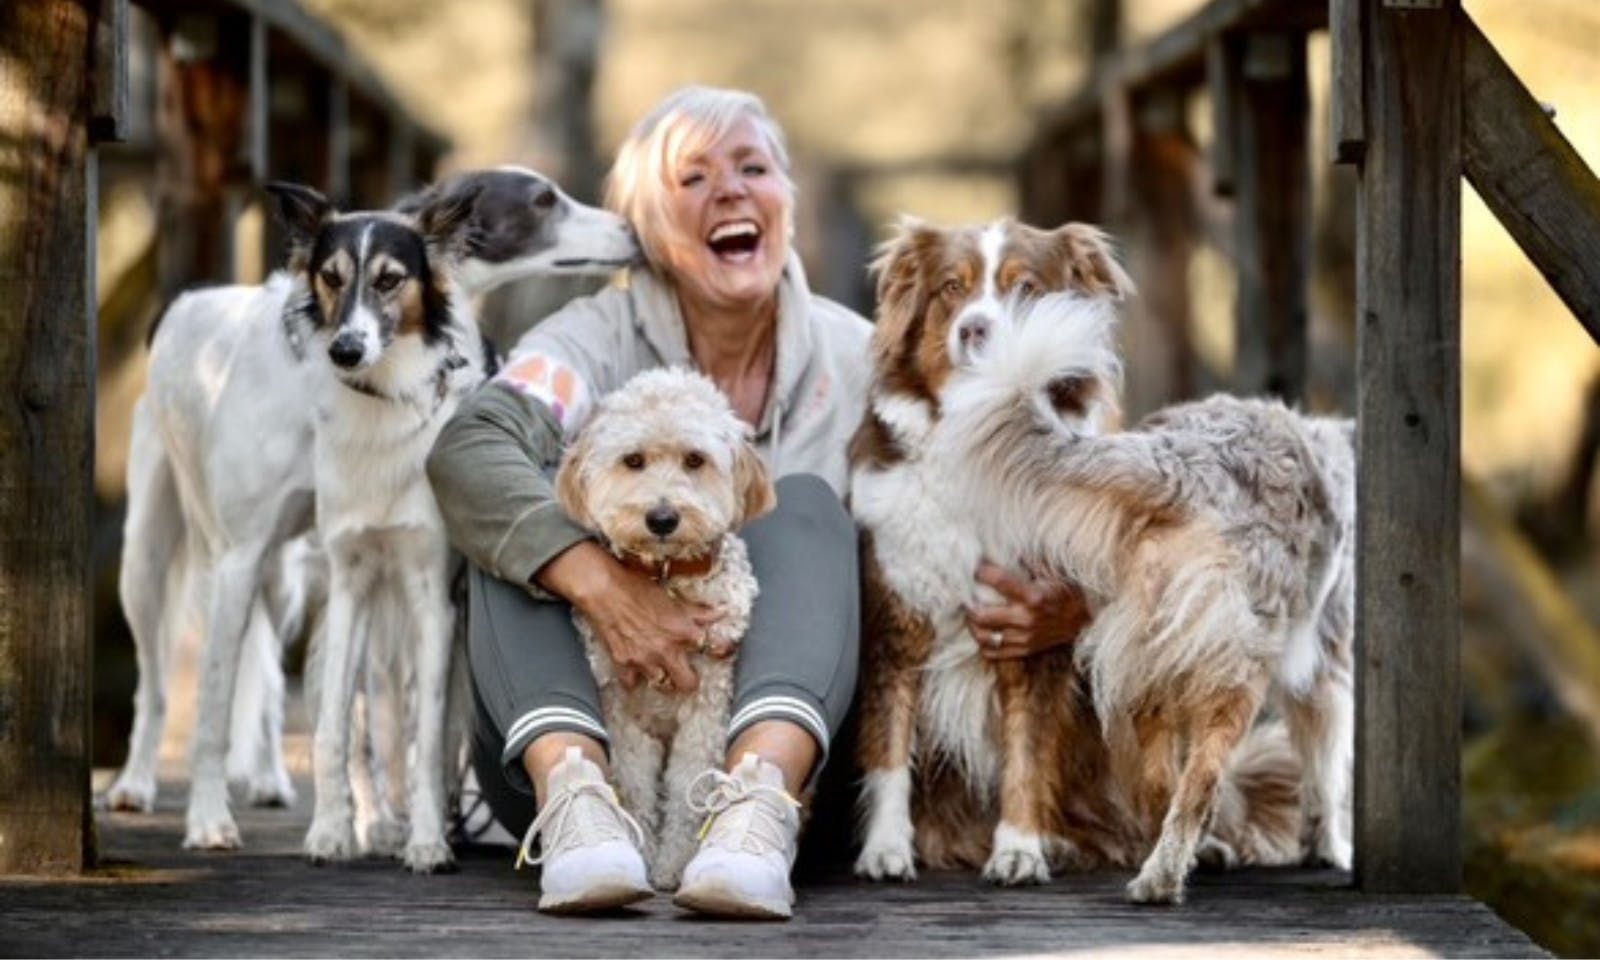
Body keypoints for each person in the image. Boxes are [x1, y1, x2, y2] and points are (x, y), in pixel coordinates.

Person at [427, 85, 1089, 920]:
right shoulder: (585, 345)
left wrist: (1073, 604)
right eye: (693, 178)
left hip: (811, 789)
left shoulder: (870, 366)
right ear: (647, 228)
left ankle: (753, 810)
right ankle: (578, 801)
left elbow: (1042, 500)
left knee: (805, 507)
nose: (731, 191)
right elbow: (471, 448)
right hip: (570, 749)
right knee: (511, 517)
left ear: (784, 200)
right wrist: (596, 580)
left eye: (753, 168)